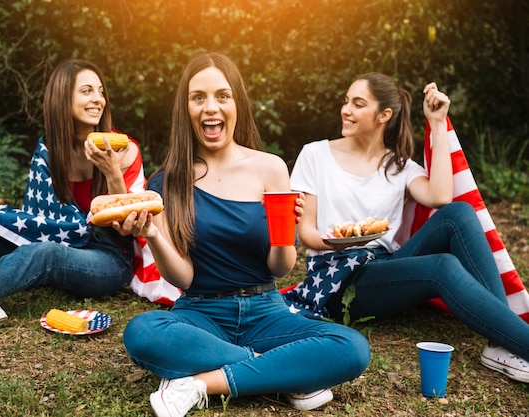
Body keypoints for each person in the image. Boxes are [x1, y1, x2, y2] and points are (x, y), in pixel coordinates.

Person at [118, 52, 370, 417]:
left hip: (266, 311)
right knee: (142, 332)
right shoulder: (169, 180)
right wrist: (154, 235)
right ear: (185, 108)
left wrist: (284, 234)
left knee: (351, 347)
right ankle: (288, 373)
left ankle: (203, 383)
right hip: (199, 314)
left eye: (222, 95)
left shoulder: (270, 168)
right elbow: (183, 278)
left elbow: (280, 267)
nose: (211, 107)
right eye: (198, 97)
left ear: (237, 103)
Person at [282, 72, 529, 383]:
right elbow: (305, 233)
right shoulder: (315, 154)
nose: (346, 110)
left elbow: (440, 196)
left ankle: (499, 342)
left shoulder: (398, 166)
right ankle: (516, 340)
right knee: (442, 266)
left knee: (459, 213)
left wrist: (437, 122)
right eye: (346, 101)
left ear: (384, 115)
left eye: (358, 104)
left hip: (384, 265)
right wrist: (338, 242)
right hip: (338, 277)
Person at [0, 59, 146, 340]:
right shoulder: (49, 150)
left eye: (101, 91)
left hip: (108, 258)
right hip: (64, 237)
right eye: (87, 91)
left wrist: (113, 174)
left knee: (44, 252)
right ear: (62, 98)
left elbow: (128, 228)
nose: (98, 99)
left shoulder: (125, 151)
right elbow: (40, 219)